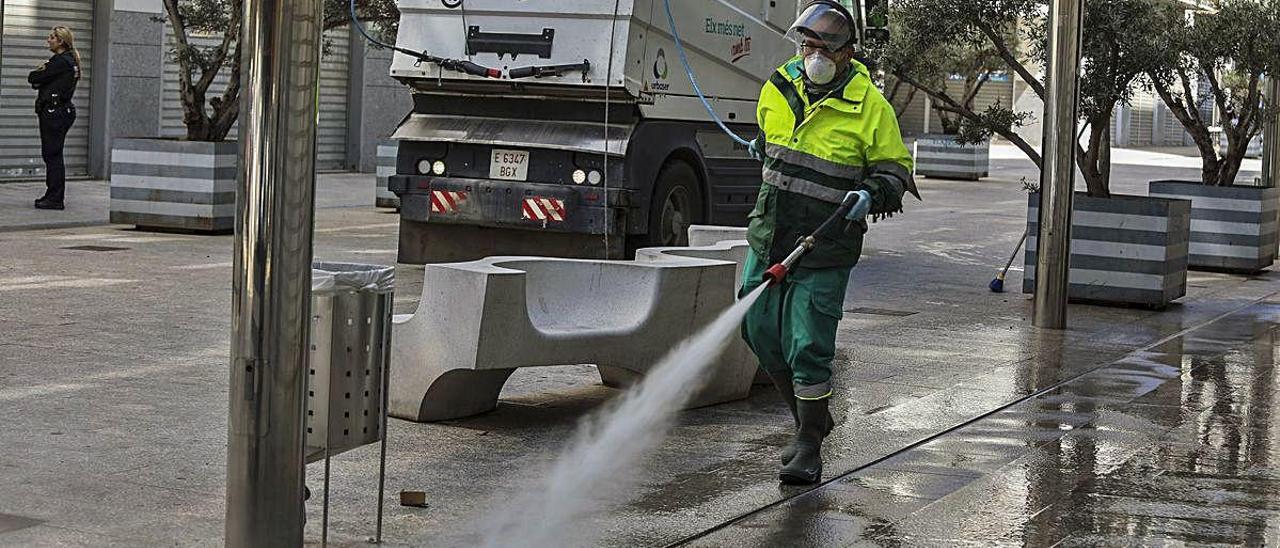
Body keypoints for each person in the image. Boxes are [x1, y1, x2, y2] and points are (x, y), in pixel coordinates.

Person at [740, 0, 918, 485]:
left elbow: (896, 168)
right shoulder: (779, 86)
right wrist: (762, 144)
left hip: (824, 245)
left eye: (822, 47)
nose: (812, 55)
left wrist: (874, 192)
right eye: (807, 45)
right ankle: (809, 419)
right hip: (769, 234)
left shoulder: (870, 106)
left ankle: (808, 444)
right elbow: (770, 135)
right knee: (756, 330)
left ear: (845, 52)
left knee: (808, 347)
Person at [28, 26, 82, 211]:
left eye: (52, 37)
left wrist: (40, 79)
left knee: (52, 155)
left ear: (61, 41)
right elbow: (38, 80)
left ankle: (55, 198)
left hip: (54, 113)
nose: (48, 40)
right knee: (53, 154)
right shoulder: (69, 60)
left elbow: (34, 77)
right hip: (60, 111)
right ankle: (52, 195)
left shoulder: (60, 62)